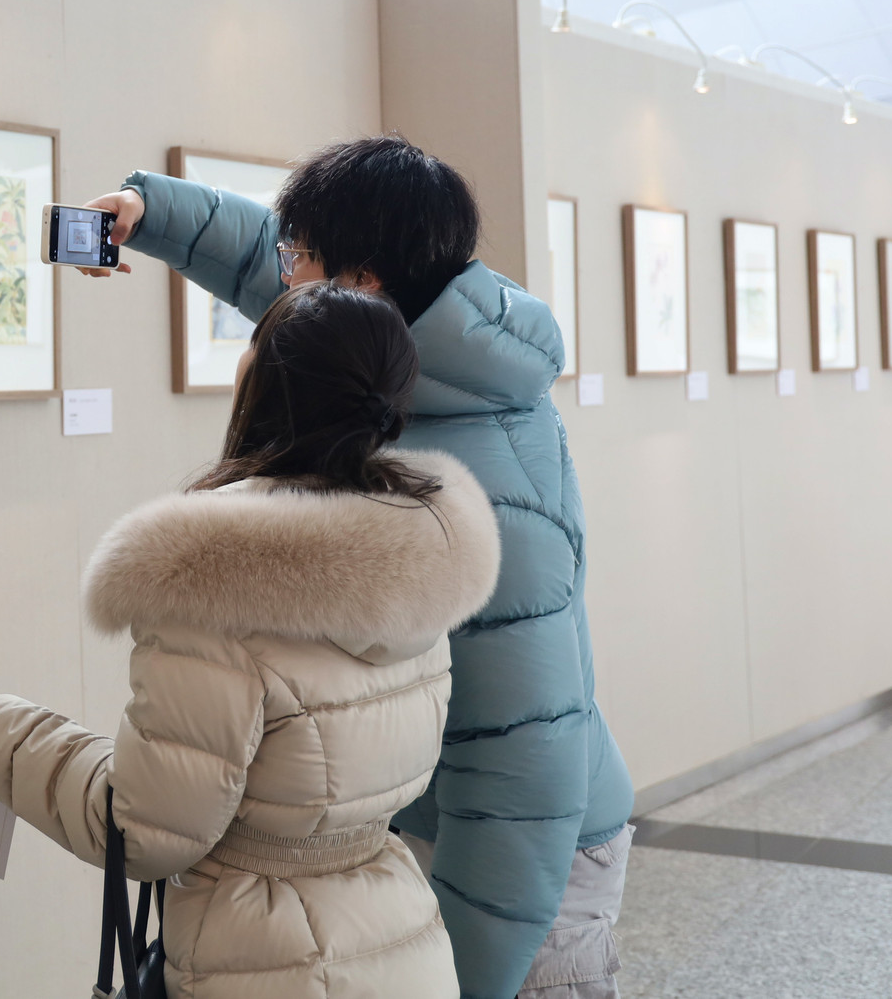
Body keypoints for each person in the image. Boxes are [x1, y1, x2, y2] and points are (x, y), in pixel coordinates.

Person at [79, 135, 634, 999]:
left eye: (299, 257)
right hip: (447, 826)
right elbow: (273, 270)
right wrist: (151, 214)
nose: (281, 275)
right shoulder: (417, 344)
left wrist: (465, 981)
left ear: (364, 282)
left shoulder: (489, 491)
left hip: (529, 867)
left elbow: (524, 765)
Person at [0, 282, 502, 998]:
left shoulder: (211, 577)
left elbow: (147, 830)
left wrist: (4, 737)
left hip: (262, 963)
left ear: (267, 383)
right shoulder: (418, 550)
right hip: (403, 945)